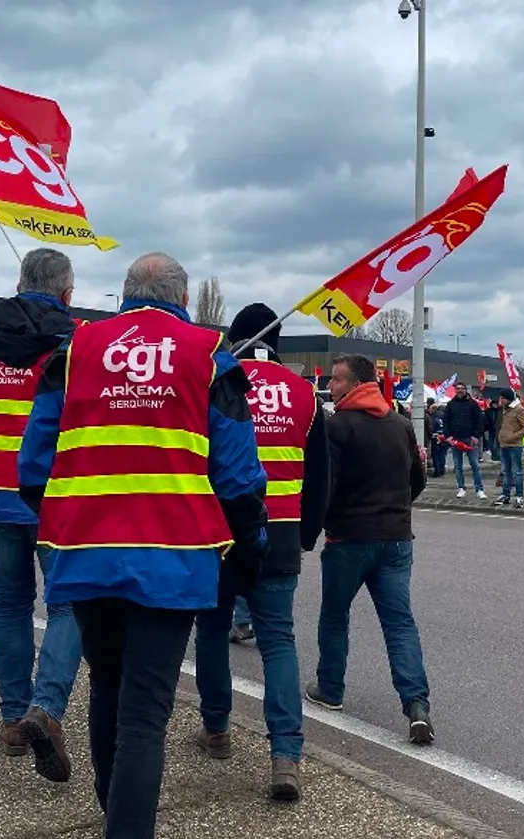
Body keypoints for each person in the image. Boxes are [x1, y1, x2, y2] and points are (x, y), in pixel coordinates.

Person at [19, 252, 270, 838]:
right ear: (183, 299)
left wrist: (65, 521)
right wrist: (246, 544)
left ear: (123, 295)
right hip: (174, 558)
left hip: (85, 552)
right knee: (145, 715)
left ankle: (117, 814)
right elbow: (237, 476)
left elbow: (33, 467)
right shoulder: (211, 357)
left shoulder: (74, 351)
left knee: (106, 684)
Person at [0, 248, 84, 782]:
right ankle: (45, 710)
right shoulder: (74, 343)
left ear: (18, 282)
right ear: (67, 293)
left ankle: (11, 719)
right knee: (67, 603)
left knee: (9, 603)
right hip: (52, 490)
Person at [194, 303, 329, 802]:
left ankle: (217, 729)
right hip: (283, 533)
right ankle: (285, 755)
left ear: (236, 338)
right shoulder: (303, 394)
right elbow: (320, 475)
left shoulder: (215, 380)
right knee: (278, 642)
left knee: (210, 630)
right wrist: (308, 533)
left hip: (220, 530)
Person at [305, 353, 433, 745]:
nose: (332, 386)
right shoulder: (398, 424)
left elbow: (325, 486)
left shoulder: (337, 426)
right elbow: (418, 479)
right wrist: (395, 510)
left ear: (357, 383)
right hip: (396, 538)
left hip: (349, 539)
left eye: (338, 380)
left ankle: (330, 688)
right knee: (399, 623)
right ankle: (416, 704)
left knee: (334, 616)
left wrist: (313, 527)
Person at [443, 382, 485, 499]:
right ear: (455, 390)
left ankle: (479, 489)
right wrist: (448, 436)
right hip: (455, 439)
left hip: (470, 438)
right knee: (458, 466)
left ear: (466, 390)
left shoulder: (473, 404)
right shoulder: (451, 404)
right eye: (458, 388)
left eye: (462, 388)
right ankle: (461, 487)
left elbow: (480, 421)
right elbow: (446, 421)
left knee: (475, 465)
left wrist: (476, 436)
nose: (460, 390)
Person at [495, 388, 524, 508]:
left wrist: (514, 436)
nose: (501, 400)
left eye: (503, 398)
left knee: (517, 472)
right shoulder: (504, 410)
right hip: (504, 444)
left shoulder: (519, 410)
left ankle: (519, 496)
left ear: (508, 398)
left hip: (515, 445)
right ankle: (506, 494)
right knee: (505, 471)